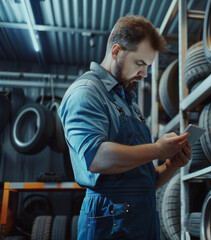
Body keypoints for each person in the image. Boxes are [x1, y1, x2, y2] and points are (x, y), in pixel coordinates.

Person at [58, 15, 191, 240]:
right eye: (140, 64)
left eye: (147, 66)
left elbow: (140, 182)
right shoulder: (86, 92)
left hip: (142, 218)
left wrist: (171, 166)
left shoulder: (128, 102)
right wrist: (158, 149)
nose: (144, 74)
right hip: (110, 220)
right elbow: (97, 158)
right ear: (116, 51)